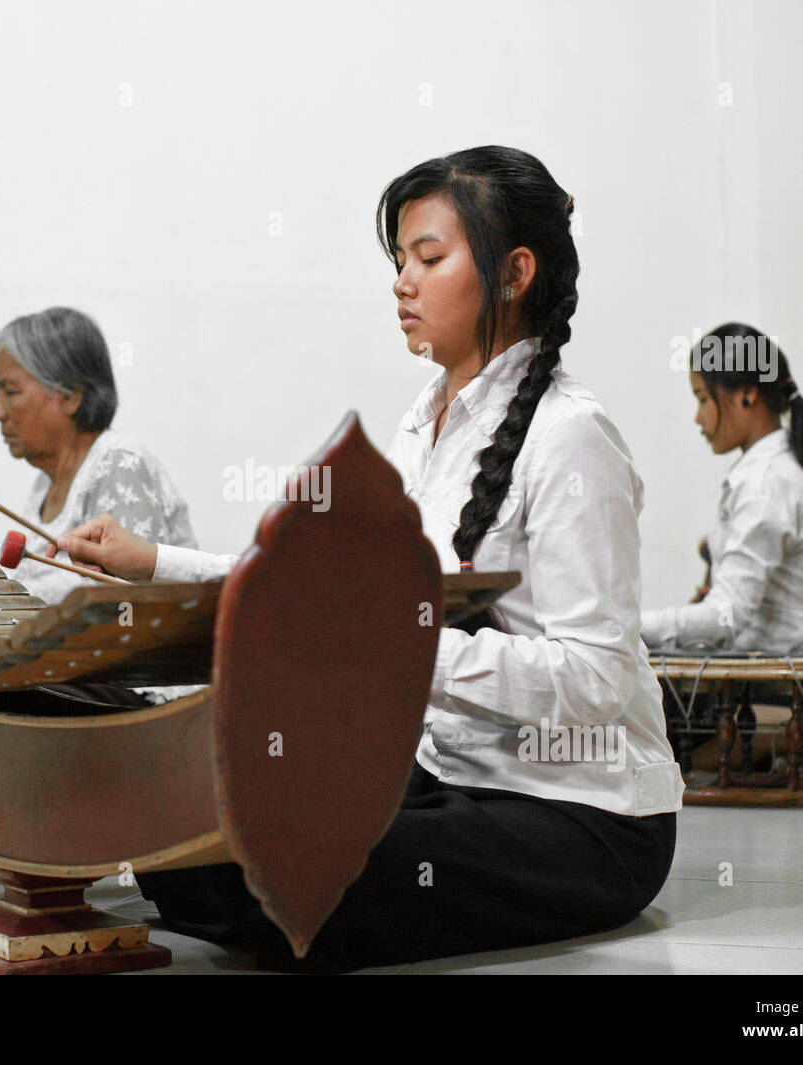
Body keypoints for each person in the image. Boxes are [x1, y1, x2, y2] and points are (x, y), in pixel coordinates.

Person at [48, 147, 683, 972]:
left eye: (429, 257)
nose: (402, 282)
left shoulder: (571, 438)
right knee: (216, 813)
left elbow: (593, 681)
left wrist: (398, 644)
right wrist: (155, 561)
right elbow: (314, 593)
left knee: (297, 864)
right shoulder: (425, 425)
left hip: (580, 814)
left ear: (514, 271)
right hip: (448, 777)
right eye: (399, 262)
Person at [641, 324, 803, 654]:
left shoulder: (765, 484)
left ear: (747, 395)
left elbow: (725, 616)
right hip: (789, 676)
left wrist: (629, 627)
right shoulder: (792, 467)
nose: (698, 417)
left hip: (771, 684)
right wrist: (788, 590)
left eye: (703, 399)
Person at [0, 306, 197, 605]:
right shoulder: (43, 486)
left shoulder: (118, 463)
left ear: (71, 396)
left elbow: (136, 614)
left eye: (10, 392)